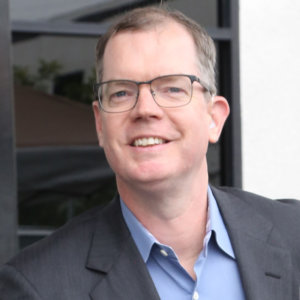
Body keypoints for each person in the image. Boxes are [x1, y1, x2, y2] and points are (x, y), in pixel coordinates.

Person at [1, 6, 300, 300]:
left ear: (214, 118)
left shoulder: (294, 236)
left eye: (172, 88)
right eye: (121, 93)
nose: (145, 109)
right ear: (100, 125)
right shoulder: (38, 286)